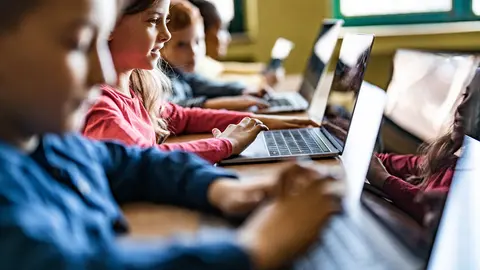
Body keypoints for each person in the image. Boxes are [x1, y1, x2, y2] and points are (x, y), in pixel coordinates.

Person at [0, 0, 346, 268]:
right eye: (78, 44)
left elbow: (133, 163)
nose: (103, 70)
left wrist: (221, 189)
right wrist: (253, 248)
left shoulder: (48, 143)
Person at [83, 0, 317, 164]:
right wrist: (225, 144)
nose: (166, 35)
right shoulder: (98, 104)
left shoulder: (138, 86)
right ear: (109, 24)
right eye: (154, 21)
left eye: (166, 21)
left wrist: (263, 122)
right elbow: (146, 160)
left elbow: (184, 117)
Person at [366, 85, 473, 223]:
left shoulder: (471, 183)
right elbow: (389, 162)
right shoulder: (446, 161)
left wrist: (383, 179)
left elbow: (434, 208)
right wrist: (358, 147)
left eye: (476, 102)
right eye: (465, 96)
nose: (461, 107)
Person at [160, 0, 270, 110]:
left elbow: (207, 86)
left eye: (198, 41)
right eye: (181, 45)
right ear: (160, 45)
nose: (194, 51)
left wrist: (243, 90)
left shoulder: (182, 73)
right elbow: (171, 109)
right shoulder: (160, 78)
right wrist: (223, 104)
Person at [188, 0, 283, 87]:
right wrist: (263, 80)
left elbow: (222, 69)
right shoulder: (193, 66)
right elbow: (223, 85)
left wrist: (263, 69)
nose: (228, 38)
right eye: (220, 29)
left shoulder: (205, 62)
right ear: (203, 32)